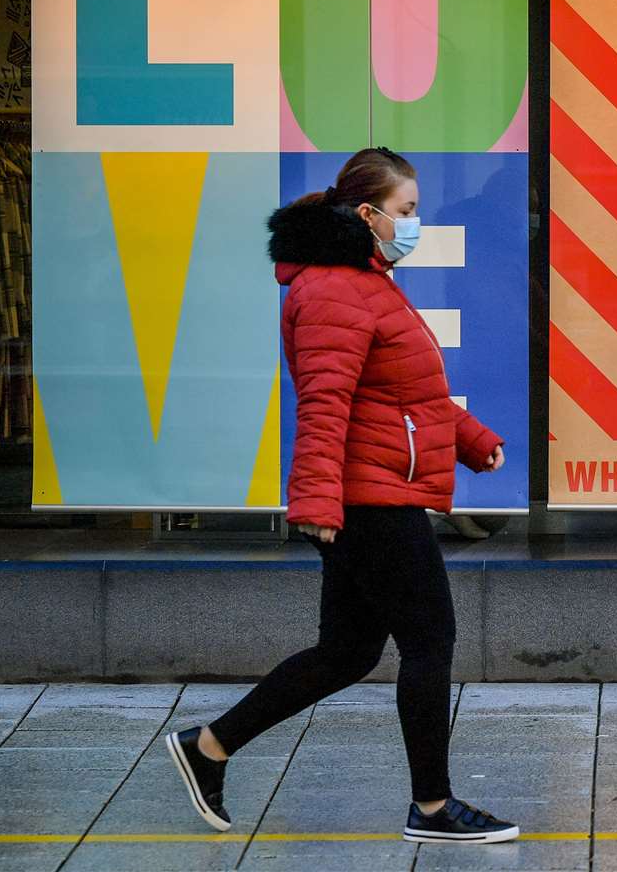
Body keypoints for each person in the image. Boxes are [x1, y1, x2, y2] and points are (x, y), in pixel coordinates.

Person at [163, 148, 519, 845]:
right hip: (367, 498)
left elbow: (406, 391)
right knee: (430, 638)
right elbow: (325, 405)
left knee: (348, 652)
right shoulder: (333, 290)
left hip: (372, 487)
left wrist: (473, 439)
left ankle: (209, 747)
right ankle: (435, 809)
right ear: (369, 213)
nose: (415, 223)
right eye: (408, 211)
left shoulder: (364, 281)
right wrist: (319, 506)